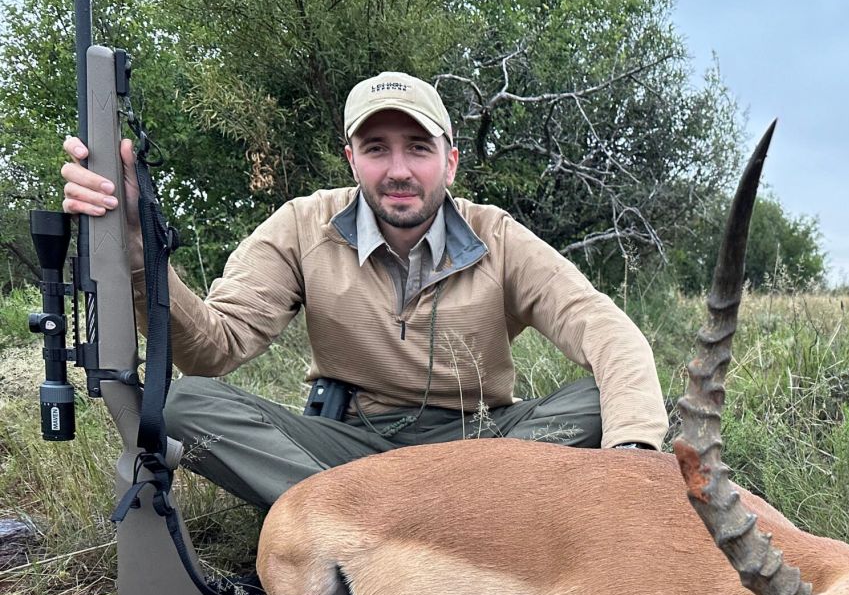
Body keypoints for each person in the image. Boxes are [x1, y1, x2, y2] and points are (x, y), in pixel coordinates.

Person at [60, 71, 668, 508]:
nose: (399, 170)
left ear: (450, 162)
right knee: (187, 402)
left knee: (601, 402)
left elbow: (604, 327)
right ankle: (370, 522)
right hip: (351, 448)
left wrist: (633, 455)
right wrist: (140, 250)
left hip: (485, 446)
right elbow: (212, 348)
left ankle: (371, 531)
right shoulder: (302, 225)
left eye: (418, 149)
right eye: (377, 149)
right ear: (351, 158)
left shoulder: (498, 236)